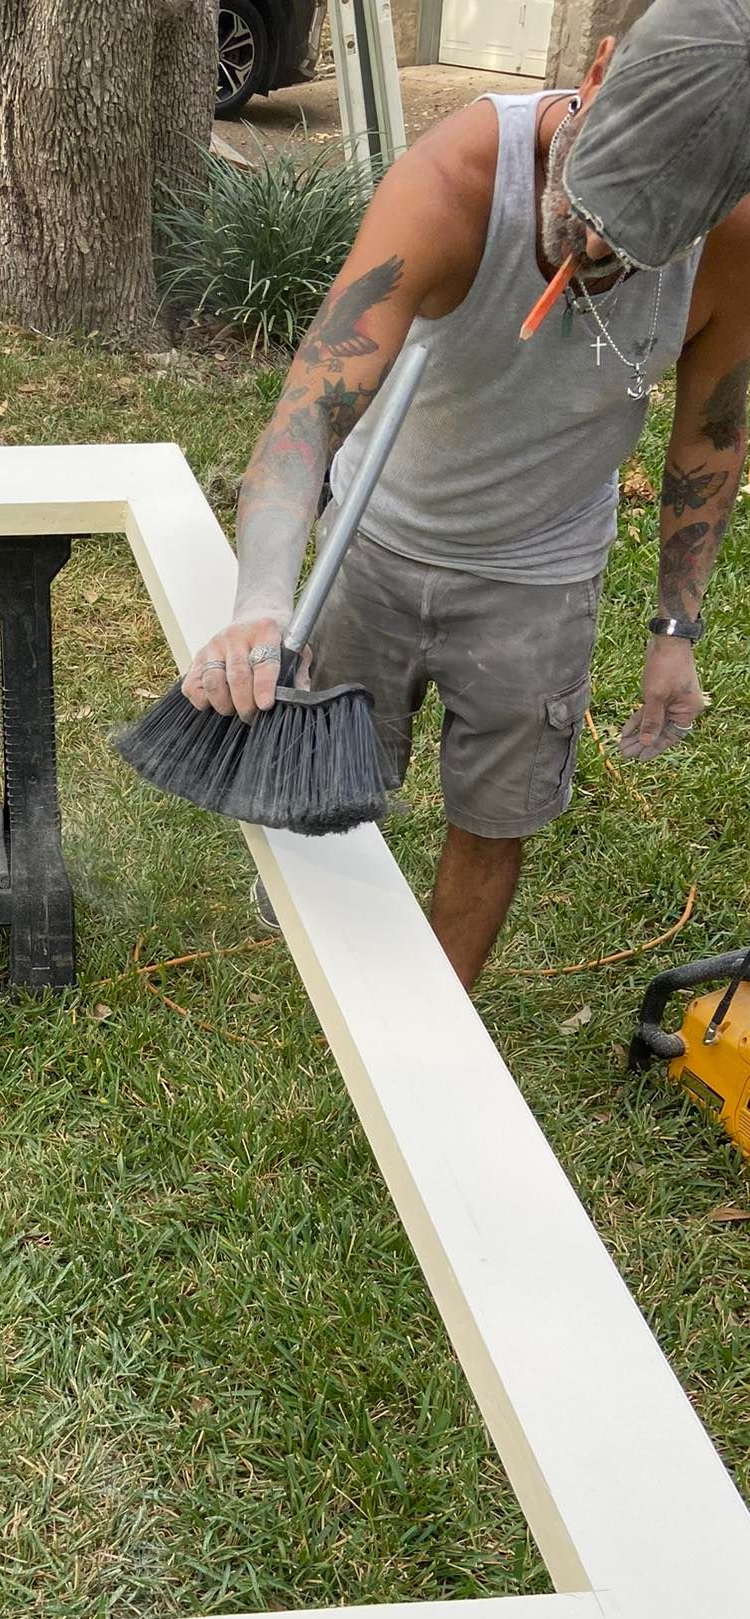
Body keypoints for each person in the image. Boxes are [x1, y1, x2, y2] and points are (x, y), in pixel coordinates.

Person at [181, 0, 750, 988]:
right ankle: (320, 973)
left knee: (494, 820)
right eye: (593, 204)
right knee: (329, 791)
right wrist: (264, 604)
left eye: (638, 239)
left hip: (541, 574)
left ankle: (434, 1027)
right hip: (381, 536)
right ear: (599, 68)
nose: (596, 248)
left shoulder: (736, 241)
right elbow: (309, 411)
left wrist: (675, 631)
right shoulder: (454, 183)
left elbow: (711, 439)